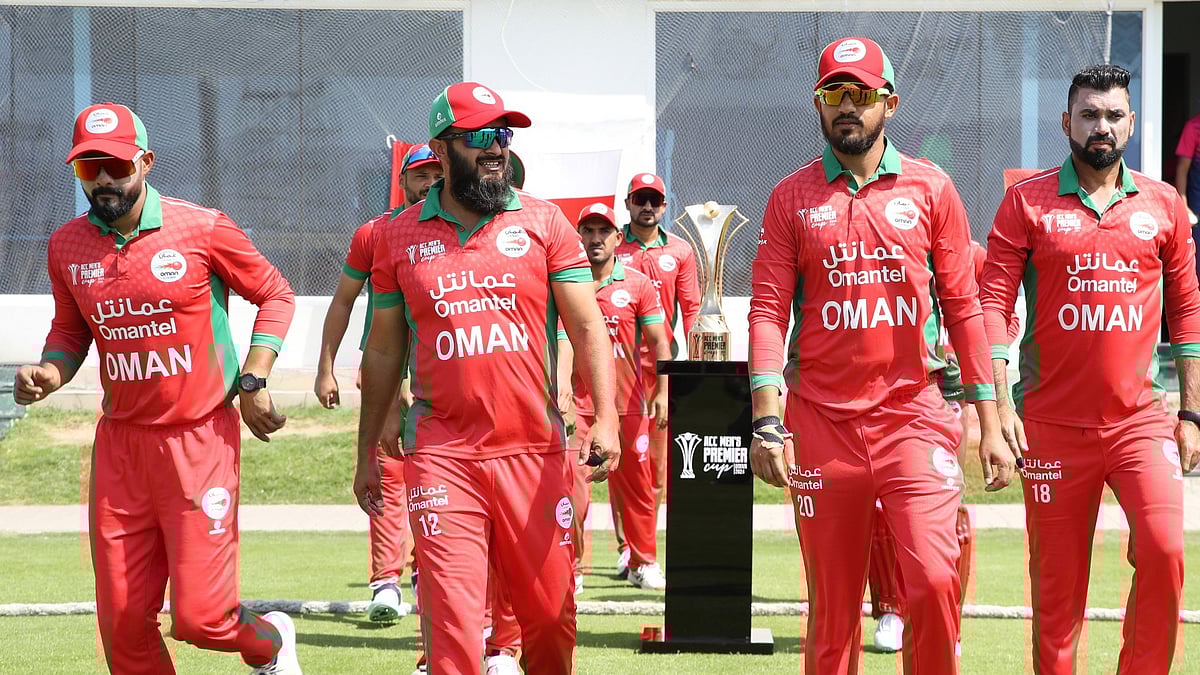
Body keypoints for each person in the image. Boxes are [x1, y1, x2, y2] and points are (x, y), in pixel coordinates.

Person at [747, 38, 1015, 674]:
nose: (848, 107)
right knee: (832, 612)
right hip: (821, 424)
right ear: (818, 104)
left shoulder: (931, 187)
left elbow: (965, 308)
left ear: (888, 103)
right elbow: (766, 313)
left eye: (861, 95)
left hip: (913, 416)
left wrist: (992, 417)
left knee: (930, 579)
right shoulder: (790, 197)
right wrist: (765, 419)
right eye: (834, 94)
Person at [13, 102, 300, 674]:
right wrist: (50, 371)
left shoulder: (202, 227)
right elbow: (70, 331)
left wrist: (254, 378)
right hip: (121, 450)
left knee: (202, 619)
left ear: (145, 161)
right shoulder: (67, 245)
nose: (102, 181)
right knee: (122, 622)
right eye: (87, 168)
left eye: (115, 166)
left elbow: (276, 294)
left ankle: (272, 646)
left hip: (201, 442)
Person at [353, 81, 619, 675]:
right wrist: (370, 449)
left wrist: (606, 416)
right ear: (441, 150)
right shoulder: (396, 235)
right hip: (442, 452)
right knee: (451, 624)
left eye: (502, 134)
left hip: (535, 448)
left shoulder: (546, 222)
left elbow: (587, 328)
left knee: (549, 618)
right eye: (478, 137)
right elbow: (382, 351)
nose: (496, 148)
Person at [980, 64, 1200, 674]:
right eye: (1088, 115)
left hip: (1140, 423)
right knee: (1057, 595)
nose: (1100, 127)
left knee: (1163, 552)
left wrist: (1191, 412)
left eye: (1112, 115)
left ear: (1130, 123)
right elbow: (992, 307)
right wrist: (999, 410)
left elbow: (1187, 312)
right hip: (1050, 425)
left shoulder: (1165, 204)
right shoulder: (1026, 201)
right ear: (1065, 123)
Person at [868, 239, 1021, 653]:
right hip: (890, 390)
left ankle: (947, 621)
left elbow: (1000, 314)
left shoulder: (969, 252)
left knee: (945, 507)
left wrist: (972, 357)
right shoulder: (881, 241)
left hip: (949, 393)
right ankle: (891, 609)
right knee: (883, 507)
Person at [315, 143, 442, 624]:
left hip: (438, 380)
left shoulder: (457, 233)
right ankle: (386, 582)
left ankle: (424, 574)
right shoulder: (375, 232)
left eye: (436, 173)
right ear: (404, 182)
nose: (428, 183)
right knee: (385, 476)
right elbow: (344, 300)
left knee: (434, 480)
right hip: (384, 377)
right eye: (419, 176)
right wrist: (326, 366)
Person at [558, 202, 672, 592]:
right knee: (574, 491)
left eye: (602, 231)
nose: (594, 239)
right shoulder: (564, 282)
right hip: (579, 406)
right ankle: (570, 568)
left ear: (617, 238)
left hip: (629, 404)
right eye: (587, 231)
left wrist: (664, 391)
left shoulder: (637, 283)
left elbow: (660, 342)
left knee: (639, 489)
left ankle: (643, 562)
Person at [611, 172, 700, 578]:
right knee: (620, 461)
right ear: (628, 203)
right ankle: (628, 549)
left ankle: (641, 548)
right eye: (640, 200)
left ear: (665, 207)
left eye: (655, 201)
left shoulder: (679, 251)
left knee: (657, 468)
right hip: (616, 368)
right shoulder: (613, 246)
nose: (647, 207)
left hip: (660, 372)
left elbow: (694, 310)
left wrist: (701, 365)